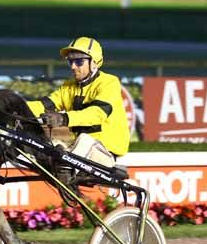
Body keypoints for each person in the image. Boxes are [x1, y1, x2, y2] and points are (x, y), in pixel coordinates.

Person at [26, 37, 130, 167]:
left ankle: (65, 167)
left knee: (84, 139)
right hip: (80, 149)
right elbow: (44, 105)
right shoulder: (68, 86)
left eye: (79, 62)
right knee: (47, 144)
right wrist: (15, 106)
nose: (73, 67)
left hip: (105, 152)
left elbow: (96, 114)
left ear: (94, 63)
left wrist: (63, 118)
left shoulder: (109, 82)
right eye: (70, 62)